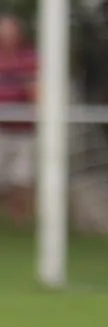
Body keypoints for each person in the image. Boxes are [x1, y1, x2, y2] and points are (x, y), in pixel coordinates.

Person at [0, 14, 38, 225]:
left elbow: (36, 91)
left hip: (24, 130)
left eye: (11, 31)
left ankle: (20, 221)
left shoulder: (29, 58)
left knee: (23, 177)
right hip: (1, 129)